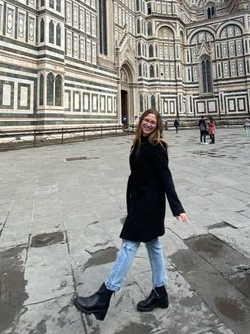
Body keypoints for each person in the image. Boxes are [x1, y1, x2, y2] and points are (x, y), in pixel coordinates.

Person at [73, 109, 188, 321]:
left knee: (129, 245)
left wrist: (177, 207)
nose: (149, 124)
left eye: (153, 122)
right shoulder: (138, 142)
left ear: (158, 126)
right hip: (139, 202)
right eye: (146, 120)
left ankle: (104, 296)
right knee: (153, 246)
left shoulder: (158, 147)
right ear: (141, 121)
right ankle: (160, 293)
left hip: (149, 206)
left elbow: (166, 177)